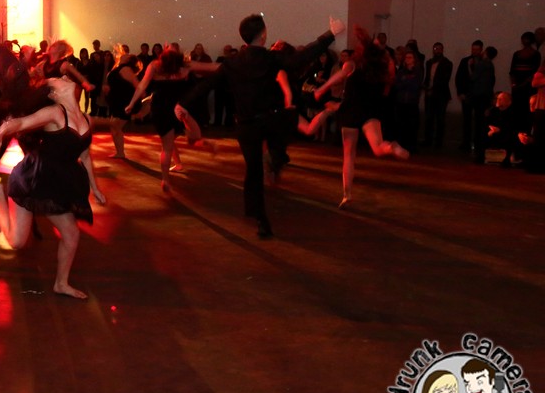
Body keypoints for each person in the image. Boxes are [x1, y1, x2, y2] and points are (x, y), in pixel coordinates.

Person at [210, 14, 345, 238]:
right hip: (269, 118)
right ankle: (261, 206)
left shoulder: (238, 62)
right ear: (263, 35)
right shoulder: (269, 60)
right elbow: (301, 58)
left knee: (256, 168)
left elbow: (209, 82)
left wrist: (184, 102)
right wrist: (330, 34)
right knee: (262, 163)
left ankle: (260, 207)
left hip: (260, 120)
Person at [0, 76, 106, 299]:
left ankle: (61, 283)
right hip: (33, 179)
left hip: (58, 183)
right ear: (53, 94)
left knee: (71, 234)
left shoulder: (87, 119)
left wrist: (95, 188)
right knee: (17, 242)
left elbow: (85, 156)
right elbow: (21, 123)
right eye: (57, 79)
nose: (64, 76)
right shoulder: (54, 113)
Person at [315, 27, 409, 209]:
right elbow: (388, 85)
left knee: (349, 156)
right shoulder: (380, 70)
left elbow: (338, 77)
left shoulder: (352, 65)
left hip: (351, 110)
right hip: (370, 110)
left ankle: (347, 195)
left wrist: (321, 89)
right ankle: (391, 147)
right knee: (378, 147)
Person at [126, 46, 213, 192]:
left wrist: (131, 103)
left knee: (167, 146)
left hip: (162, 108)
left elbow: (142, 86)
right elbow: (212, 67)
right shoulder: (184, 66)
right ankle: (179, 163)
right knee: (179, 140)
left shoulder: (155, 65)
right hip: (178, 108)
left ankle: (165, 179)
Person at [104, 50, 140, 158]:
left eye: (128, 55)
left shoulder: (126, 69)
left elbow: (137, 86)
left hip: (124, 102)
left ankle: (120, 153)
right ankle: (120, 152)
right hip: (116, 101)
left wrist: (136, 100)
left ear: (128, 60)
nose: (125, 53)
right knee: (114, 127)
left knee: (115, 127)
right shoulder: (119, 67)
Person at [422, 42, 453, 148]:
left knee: (440, 119)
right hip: (430, 94)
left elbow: (444, 79)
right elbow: (427, 77)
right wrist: (425, 87)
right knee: (429, 118)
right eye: (435, 48)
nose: (437, 50)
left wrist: (432, 89)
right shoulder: (429, 62)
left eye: (439, 48)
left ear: (442, 50)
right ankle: (428, 140)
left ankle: (438, 142)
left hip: (441, 95)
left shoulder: (447, 63)